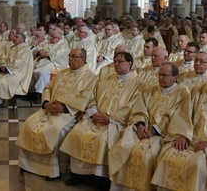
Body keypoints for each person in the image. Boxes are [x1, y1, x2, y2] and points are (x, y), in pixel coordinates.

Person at [151, 59, 207, 190]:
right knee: (167, 155)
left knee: (198, 163)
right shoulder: (196, 92)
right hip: (189, 140)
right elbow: (183, 115)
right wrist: (182, 136)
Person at [60, 52, 145, 190]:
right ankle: (77, 174)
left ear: (129, 64)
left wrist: (111, 118)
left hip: (116, 123)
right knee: (77, 133)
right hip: (97, 118)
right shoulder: (106, 79)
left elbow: (133, 106)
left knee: (102, 139)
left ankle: (102, 180)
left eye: (119, 61)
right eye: (114, 61)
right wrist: (94, 113)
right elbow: (92, 97)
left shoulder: (139, 85)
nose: (115, 64)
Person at [16, 48, 97, 180]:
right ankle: (28, 164)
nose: (70, 59)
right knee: (29, 124)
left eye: (74, 57)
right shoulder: (62, 73)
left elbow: (85, 97)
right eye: (69, 56)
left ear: (83, 59)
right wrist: (47, 103)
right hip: (50, 109)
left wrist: (63, 107)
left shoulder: (90, 77)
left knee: (55, 129)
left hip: (70, 113)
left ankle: (53, 170)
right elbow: (48, 87)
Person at [109, 62, 188, 191]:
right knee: (122, 146)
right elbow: (139, 109)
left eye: (165, 75)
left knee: (145, 155)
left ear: (175, 77)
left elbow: (178, 117)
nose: (161, 78)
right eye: (160, 75)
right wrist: (139, 126)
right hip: (142, 130)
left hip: (162, 135)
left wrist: (154, 130)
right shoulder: (150, 91)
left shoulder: (183, 94)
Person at [0, 31, 34, 103]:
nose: (14, 38)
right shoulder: (10, 47)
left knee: (2, 81)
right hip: (6, 71)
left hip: (18, 75)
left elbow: (19, 64)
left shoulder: (26, 50)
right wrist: (2, 65)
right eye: (14, 36)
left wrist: (6, 68)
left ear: (23, 39)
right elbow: (2, 58)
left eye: (17, 37)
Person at [30, 28, 69, 101]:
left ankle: (40, 94)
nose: (51, 38)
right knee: (32, 70)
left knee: (42, 73)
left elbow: (56, 55)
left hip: (54, 64)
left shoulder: (63, 45)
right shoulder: (47, 42)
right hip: (42, 62)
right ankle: (32, 92)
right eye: (51, 36)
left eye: (53, 37)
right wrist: (40, 52)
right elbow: (38, 47)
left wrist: (46, 54)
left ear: (59, 38)